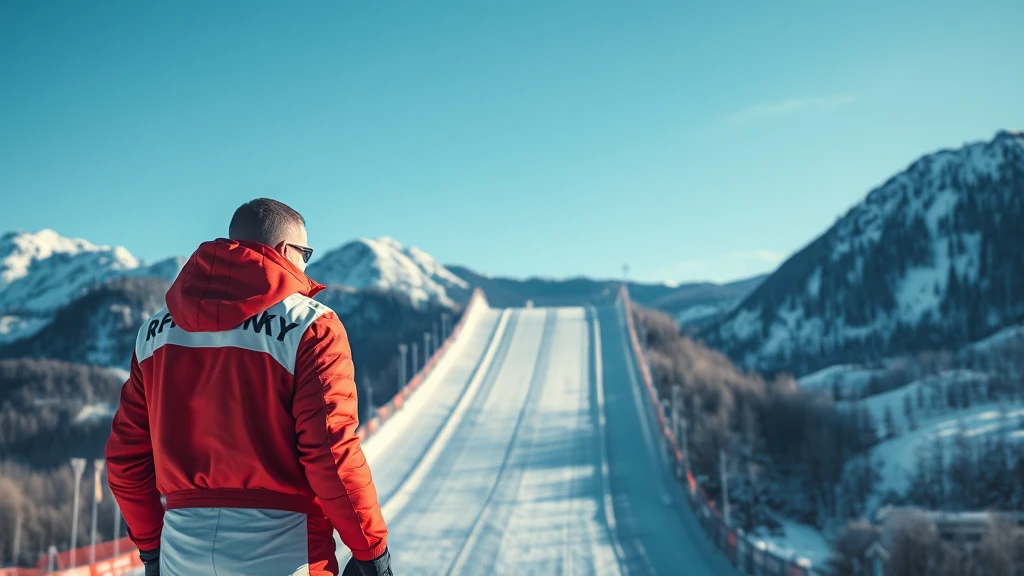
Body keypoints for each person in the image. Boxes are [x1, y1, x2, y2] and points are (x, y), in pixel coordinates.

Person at [105, 198, 392, 576]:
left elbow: (126, 462)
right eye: (306, 253)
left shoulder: (154, 333)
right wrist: (372, 551)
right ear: (286, 251)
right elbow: (330, 454)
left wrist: (153, 550)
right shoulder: (312, 325)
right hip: (285, 549)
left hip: (182, 549)